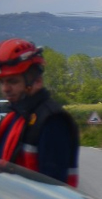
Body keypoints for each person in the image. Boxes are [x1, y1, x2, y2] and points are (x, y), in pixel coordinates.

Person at [0, 39, 80, 185]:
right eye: (2, 82)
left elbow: (52, 186)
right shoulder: (15, 117)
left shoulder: (53, 120)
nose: (5, 89)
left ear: (37, 82)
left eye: (13, 81)